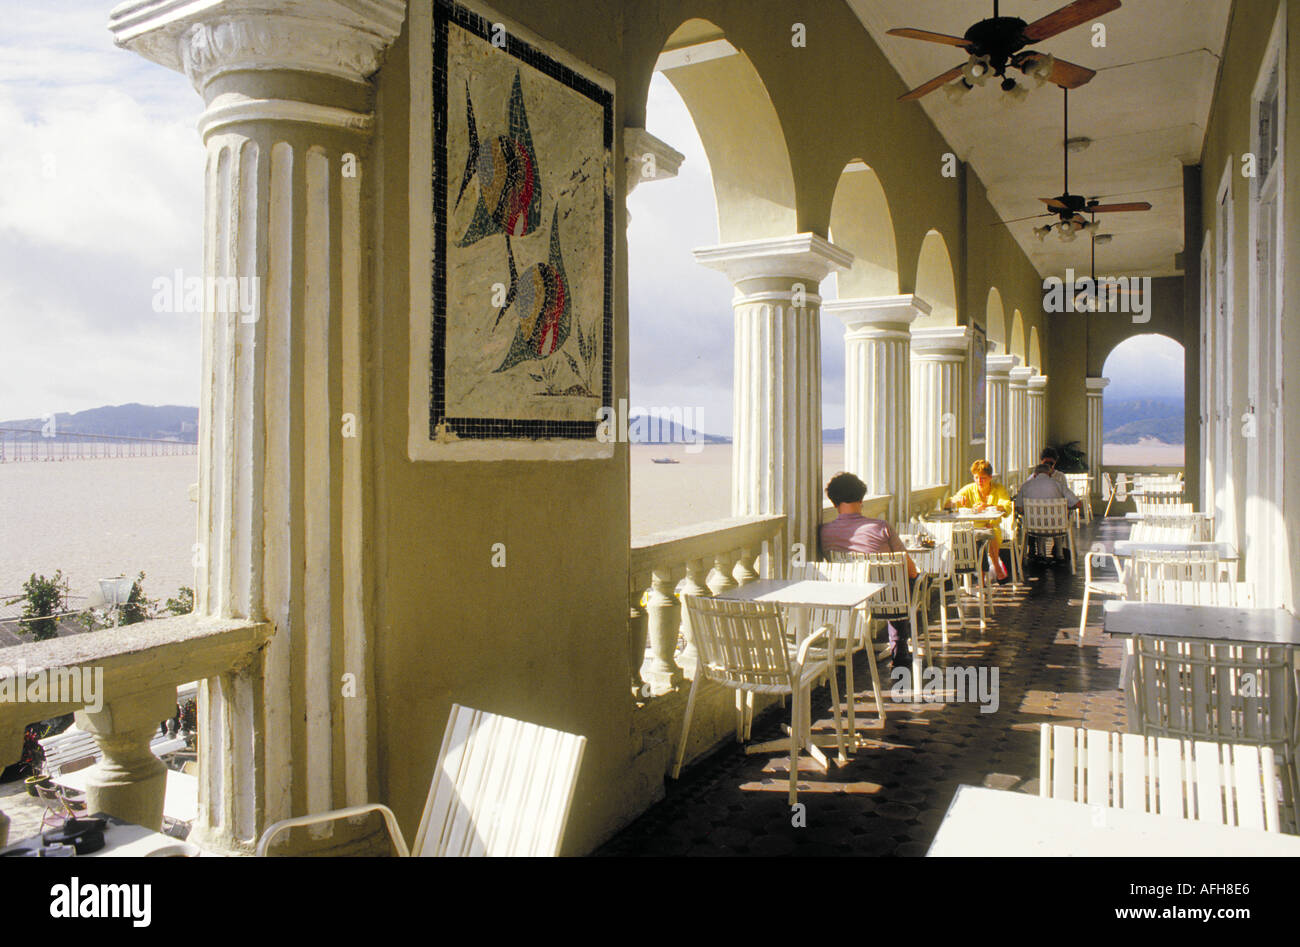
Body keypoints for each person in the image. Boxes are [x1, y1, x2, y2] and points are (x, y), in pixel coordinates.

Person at [820, 472, 917, 670]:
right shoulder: (881, 527)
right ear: (861, 498)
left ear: (833, 502)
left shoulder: (824, 532)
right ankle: (900, 649)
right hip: (890, 602)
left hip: (851, 600)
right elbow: (910, 570)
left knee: (895, 584)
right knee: (906, 582)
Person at [944, 459, 1013, 581]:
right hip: (971, 528)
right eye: (976, 478)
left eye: (983, 478)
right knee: (966, 537)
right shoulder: (969, 489)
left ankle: (991, 571)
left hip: (991, 526)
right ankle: (989, 573)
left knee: (990, 532)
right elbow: (946, 504)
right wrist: (956, 501)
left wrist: (988, 507)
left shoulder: (998, 489)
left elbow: (1007, 507)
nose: (979, 481)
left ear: (990, 477)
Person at [1015, 462, 1081, 562]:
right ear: (1049, 474)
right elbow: (1078, 504)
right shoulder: (1058, 484)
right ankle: (1059, 554)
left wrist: (1031, 513)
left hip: (1033, 528)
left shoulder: (1025, 486)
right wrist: (1065, 508)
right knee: (1058, 518)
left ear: (1035, 475)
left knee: (1040, 520)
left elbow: (1019, 508)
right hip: (1057, 527)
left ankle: (1040, 553)